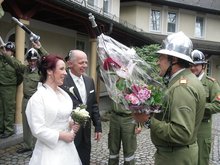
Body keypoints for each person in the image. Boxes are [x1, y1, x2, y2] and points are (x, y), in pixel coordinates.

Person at [144, 31, 206, 165]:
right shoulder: (187, 80)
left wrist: (148, 120)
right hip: (178, 154)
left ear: (174, 59)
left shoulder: (181, 87)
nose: (157, 62)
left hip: (175, 157)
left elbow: (181, 133)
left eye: (161, 57)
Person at [25, 54, 82, 165]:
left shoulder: (63, 94)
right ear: (49, 71)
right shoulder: (37, 98)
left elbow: (63, 116)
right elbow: (37, 129)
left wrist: (71, 123)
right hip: (48, 152)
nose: (65, 73)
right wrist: (62, 135)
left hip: (68, 150)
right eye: (61, 69)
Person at [61, 49, 102, 165]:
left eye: (86, 62)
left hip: (86, 130)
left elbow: (93, 104)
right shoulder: (63, 81)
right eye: (81, 63)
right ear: (70, 64)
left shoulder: (89, 81)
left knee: (84, 158)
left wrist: (98, 126)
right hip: (68, 130)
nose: (85, 66)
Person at [16, 41, 48, 154]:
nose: (32, 62)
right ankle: (27, 145)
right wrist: (5, 54)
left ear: (37, 60)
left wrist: (40, 48)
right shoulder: (25, 69)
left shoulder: (41, 71)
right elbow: (14, 63)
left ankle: (36, 148)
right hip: (25, 100)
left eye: (34, 60)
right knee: (26, 124)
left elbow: (50, 60)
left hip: (36, 101)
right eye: (30, 60)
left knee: (36, 124)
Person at [190, 49, 220, 165]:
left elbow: (218, 105)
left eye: (196, 65)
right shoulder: (185, 81)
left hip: (202, 129)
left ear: (203, 65)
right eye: (191, 65)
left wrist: (198, 106)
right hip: (185, 126)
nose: (193, 68)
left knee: (201, 160)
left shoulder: (211, 83)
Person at [0, 42, 23, 138]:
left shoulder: (16, 63)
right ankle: (1, 128)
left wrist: (13, 84)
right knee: (1, 109)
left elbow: (20, 77)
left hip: (9, 88)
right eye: (5, 49)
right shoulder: (1, 60)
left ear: (12, 52)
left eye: (8, 50)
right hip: (0, 87)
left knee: (8, 109)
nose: (6, 52)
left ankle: (8, 130)